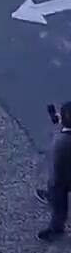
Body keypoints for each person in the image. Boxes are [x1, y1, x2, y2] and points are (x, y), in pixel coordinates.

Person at [37, 101, 71, 241]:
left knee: (59, 208)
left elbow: (55, 163)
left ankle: (56, 229)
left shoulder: (60, 142)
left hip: (60, 180)